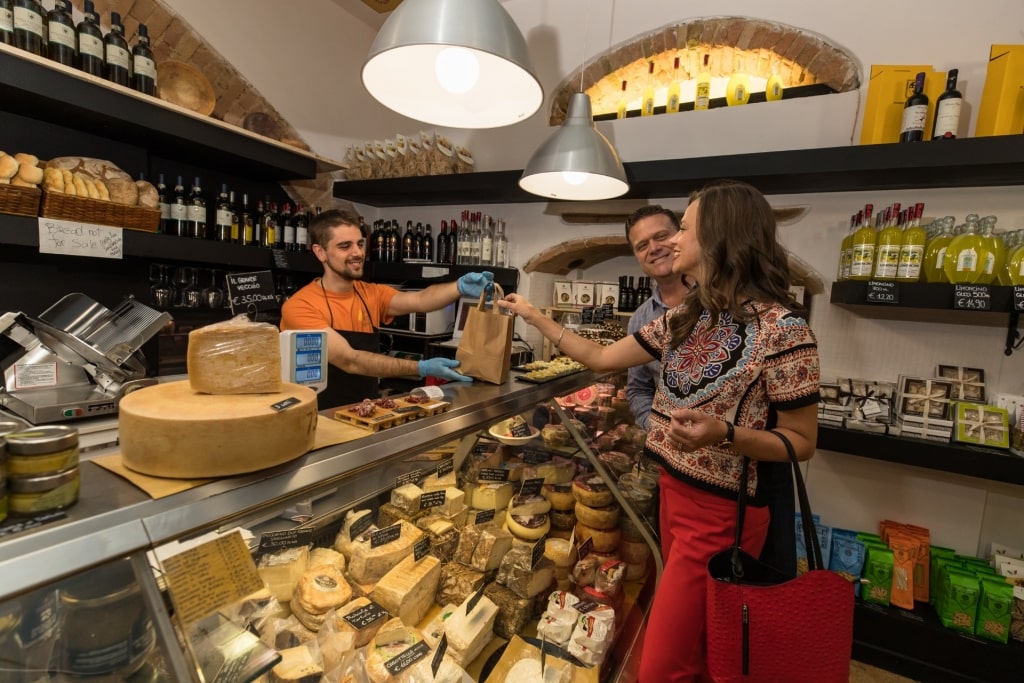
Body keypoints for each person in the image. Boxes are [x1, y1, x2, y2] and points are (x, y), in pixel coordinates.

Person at [498, 180, 820, 683]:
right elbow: (603, 358)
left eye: (684, 228)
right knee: (695, 648)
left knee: (661, 666)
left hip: (722, 514)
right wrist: (534, 315)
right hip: (672, 494)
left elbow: (802, 441)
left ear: (718, 238)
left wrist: (725, 434)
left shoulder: (785, 330)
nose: (672, 241)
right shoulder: (686, 317)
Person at [624, 204, 798, 578]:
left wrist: (723, 434)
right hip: (681, 474)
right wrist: (661, 426)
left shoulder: (756, 315)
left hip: (749, 481)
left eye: (667, 234)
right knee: (686, 587)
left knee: (752, 590)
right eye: (642, 245)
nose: (656, 247)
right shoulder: (647, 318)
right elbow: (634, 385)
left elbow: (797, 435)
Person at [280, 208, 494, 408]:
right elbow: (350, 360)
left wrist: (458, 287)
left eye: (360, 244)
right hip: (319, 416)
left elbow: (420, 300)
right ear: (320, 252)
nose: (357, 253)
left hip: (363, 411)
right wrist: (421, 367)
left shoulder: (371, 293)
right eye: (345, 246)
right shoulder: (300, 306)